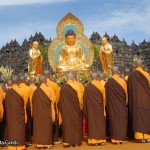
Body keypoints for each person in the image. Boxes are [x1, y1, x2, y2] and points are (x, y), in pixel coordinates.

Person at [128, 59, 150, 143]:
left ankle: (139, 137)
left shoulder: (131, 76)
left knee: (138, 117)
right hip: (146, 100)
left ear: (134, 65)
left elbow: (129, 89)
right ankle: (148, 136)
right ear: (143, 65)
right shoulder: (147, 74)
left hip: (136, 101)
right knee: (146, 117)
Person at [58, 71, 83, 147]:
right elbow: (80, 99)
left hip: (66, 110)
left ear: (66, 78)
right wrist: (80, 107)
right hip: (75, 109)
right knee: (76, 124)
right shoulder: (78, 86)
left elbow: (60, 101)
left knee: (67, 124)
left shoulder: (63, 88)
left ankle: (67, 142)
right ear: (73, 78)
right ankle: (76, 142)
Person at [105, 66, 128, 144]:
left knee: (113, 121)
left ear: (111, 72)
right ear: (118, 72)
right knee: (121, 120)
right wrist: (126, 104)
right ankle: (121, 138)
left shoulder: (108, 82)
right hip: (121, 105)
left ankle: (115, 139)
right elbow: (126, 95)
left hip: (112, 106)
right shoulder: (123, 81)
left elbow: (106, 96)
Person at [33, 75, 56, 149]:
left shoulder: (36, 91)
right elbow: (54, 101)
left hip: (39, 113)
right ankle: (47, 143)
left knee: (39, 127)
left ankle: (40, 144)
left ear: (39, 82)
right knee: (47, 127)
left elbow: (33, 103)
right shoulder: (50, 90)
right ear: (46, 81)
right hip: (47, 112)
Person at [83, 72, 106, 146]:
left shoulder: (87, 88)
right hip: (99, 108)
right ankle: (101, 139)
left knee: (92, 123)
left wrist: (85, 110)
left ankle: (93, 140)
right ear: (97, 78)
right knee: (100, 123)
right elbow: (104, 99)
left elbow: (85, 100)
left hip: (90, 109)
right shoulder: (101, 87)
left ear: (90, 78)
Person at [5, 75, 26, 150]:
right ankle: (20, 146)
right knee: (20, 129)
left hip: (11, 115)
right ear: (18, 82)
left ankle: (12, 146)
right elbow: (25, 104)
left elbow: (6, 105)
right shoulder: (22, 90)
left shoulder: (7, 93)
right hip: (19, 114)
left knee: (12, 129)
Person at [19, 75, 32, 146]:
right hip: (27, 108)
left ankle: (21, 140)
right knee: (28, 125)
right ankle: (27, 140)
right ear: (24, 80)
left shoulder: (16, 89)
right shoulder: (28, 89)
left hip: (18, 109)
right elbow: (31, 101)